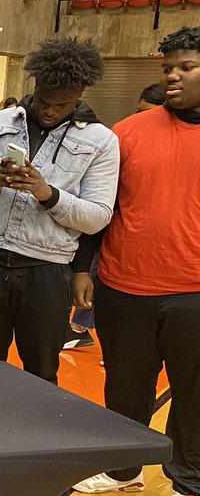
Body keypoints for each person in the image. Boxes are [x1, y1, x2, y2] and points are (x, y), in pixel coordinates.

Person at [70, 27, 200, 496]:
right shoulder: (128, 132)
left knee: (194, 392)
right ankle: (123, 469)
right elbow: (99, 207)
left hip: (194, 292)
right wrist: (82, 267)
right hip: (124, 285)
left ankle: (190, 483)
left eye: (186, 67)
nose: (172, 76)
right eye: (167, 68)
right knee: (125, 385)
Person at [0, 38, 117, 383]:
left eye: (61, 105)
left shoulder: (102, 141)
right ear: (35, 85)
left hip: (47, 271)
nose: (49, 111)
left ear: (80, 95)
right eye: (43, 101)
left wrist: (50, 196)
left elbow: (98, 216)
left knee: (41, 372)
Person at [66, 81, 163, 349]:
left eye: (148, 112)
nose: (141, 118)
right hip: (112, 236)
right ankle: (79, 327)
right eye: (138, 111)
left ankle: (81, 326)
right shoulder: (122, 136)